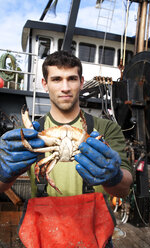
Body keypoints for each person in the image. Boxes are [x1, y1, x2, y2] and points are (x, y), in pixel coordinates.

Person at [0, 50, 133, 247]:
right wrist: (4, 175)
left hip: (96, 237)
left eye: (71, 78)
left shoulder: (106, 129)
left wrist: (114, 176)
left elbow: (124, 189)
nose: (65, 87)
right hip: (45, 236)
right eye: (56, 79)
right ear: (45, 84)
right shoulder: (28, 136)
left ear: (81, 82)